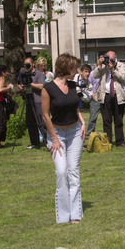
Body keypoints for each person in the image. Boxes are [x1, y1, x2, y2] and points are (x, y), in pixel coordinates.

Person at [41, 53, 86, 224]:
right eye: (74, 67)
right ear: (65, 67)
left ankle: (75, 214)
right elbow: (45, 115)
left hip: (75, 133)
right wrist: (54, 139)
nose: (77, 70)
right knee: (61, 172)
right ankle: (63, 215)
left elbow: (75, 109)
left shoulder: (73, 85)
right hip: (57, 134)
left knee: (73, 171)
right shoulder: (48, 88)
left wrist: (82, 124)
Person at [92, 51, 125, 148]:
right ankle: (108, 141)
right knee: (106, 120)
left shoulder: (121, 65)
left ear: (115, 58)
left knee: (118, 120)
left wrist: (113, 69)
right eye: (108, 59)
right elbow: (94, 75)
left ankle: (120, 141)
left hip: (118, 95)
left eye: (112, 59)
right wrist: (99, 65)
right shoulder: (103, 66)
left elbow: (124, 78)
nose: (110, 62)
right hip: (106, 95)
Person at [21, 56, 47, 149]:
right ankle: (35, 143)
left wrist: (30, 84)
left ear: (32, 64)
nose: (26, 66)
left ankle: (47, 141)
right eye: (25, 65)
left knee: (41, 122)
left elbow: (41, 86)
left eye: (28, 64)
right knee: (30, 122)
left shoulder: (39, 74)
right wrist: (23, 87)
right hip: (29, 100)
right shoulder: (25, 75)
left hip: (38, 101)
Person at [74, 64, 100, 140]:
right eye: (86, 71)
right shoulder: (75, 78)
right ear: (81, 72)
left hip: (80, 100)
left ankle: (86, 136)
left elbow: (88, 98)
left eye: (89, 72)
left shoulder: (89, 84)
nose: (88, 74)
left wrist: (81, 94)